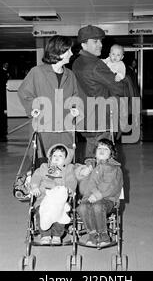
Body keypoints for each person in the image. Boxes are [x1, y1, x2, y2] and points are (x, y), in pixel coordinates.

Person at [17, 35, 79, 153]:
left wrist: (75, 108)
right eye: (68, 50)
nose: (71, 53)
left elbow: (75, 96)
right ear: (58, 51)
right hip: (44, 128)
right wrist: (34, 108)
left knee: (65, 161)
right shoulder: (37, 72)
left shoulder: (70, 75)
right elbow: (24, 93)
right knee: (42, 162)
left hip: (65, 128)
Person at [72, 25, 127, 158]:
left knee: (91, 154)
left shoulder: (77, 63)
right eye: (95, 41)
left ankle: (90, 177)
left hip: (85, 119)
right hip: (101, 119)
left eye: (101, 41)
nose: (100, 45)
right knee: (104, 159)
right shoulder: (96, 65)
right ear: (84, 44)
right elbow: (118, 88)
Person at [75, 138, 123, 247]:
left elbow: (111, 185)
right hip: (89, 198)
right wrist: (82, 172)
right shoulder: (90, 165)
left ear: (111, 154)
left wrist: (97, 195)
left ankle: (103, 235)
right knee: (81, 208)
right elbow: (78, 175)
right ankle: (92, 235)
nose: (102, 150)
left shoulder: (113, 168)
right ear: (95, 152)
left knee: (97, 206)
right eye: (99, 148)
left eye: (105, 149)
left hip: (107, 199)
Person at [30, 144, 77, 245]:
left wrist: (70, 189)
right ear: (50, 157)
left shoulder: (68, 170)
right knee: (40, 212)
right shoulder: (44, 167)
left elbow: (71, 181)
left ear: (66, 159)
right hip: (43, 199)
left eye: (60, 156)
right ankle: (45, 235)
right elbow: (36, 177)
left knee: (61, 214)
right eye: (54, 156)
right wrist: (34, 187)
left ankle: (57, 235)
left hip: (60, 201)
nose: (57, 158)